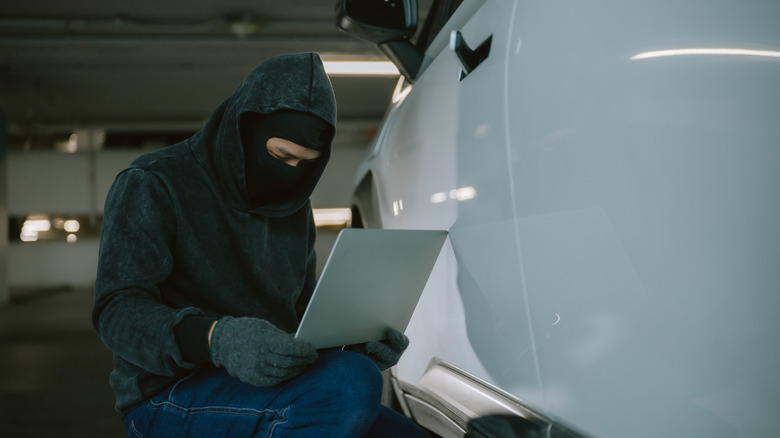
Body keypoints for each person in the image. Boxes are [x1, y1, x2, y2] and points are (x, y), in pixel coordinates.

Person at [92, 52, 432, 437]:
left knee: (373, 396)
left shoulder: (294, 210)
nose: (289, 174)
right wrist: (215, 338)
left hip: (271, 388)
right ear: (244, 129)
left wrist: (353, 344)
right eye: (280, 155)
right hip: (166, 395)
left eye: (305, 163)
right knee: (351, 384)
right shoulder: (154, 183)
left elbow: (302, 319)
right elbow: (115, 311)